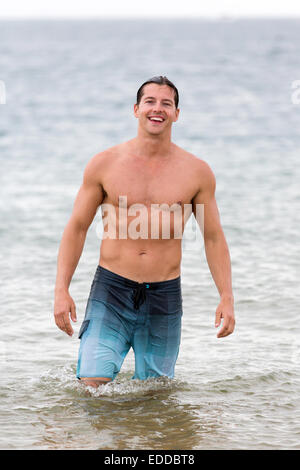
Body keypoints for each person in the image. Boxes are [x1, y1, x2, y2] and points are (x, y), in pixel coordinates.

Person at [54, 76, 235, 388]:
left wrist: (227, 297)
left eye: (167, 103)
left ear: (177, 113)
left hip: (164, 296)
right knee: (91, 387)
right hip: (111, 289)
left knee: (155, 396)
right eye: (150, 102)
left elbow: (213, 237)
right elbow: (77, 227)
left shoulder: (197, 171)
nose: (158, 109)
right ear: (136, 109)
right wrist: (61, 289)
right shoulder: (104, 164)